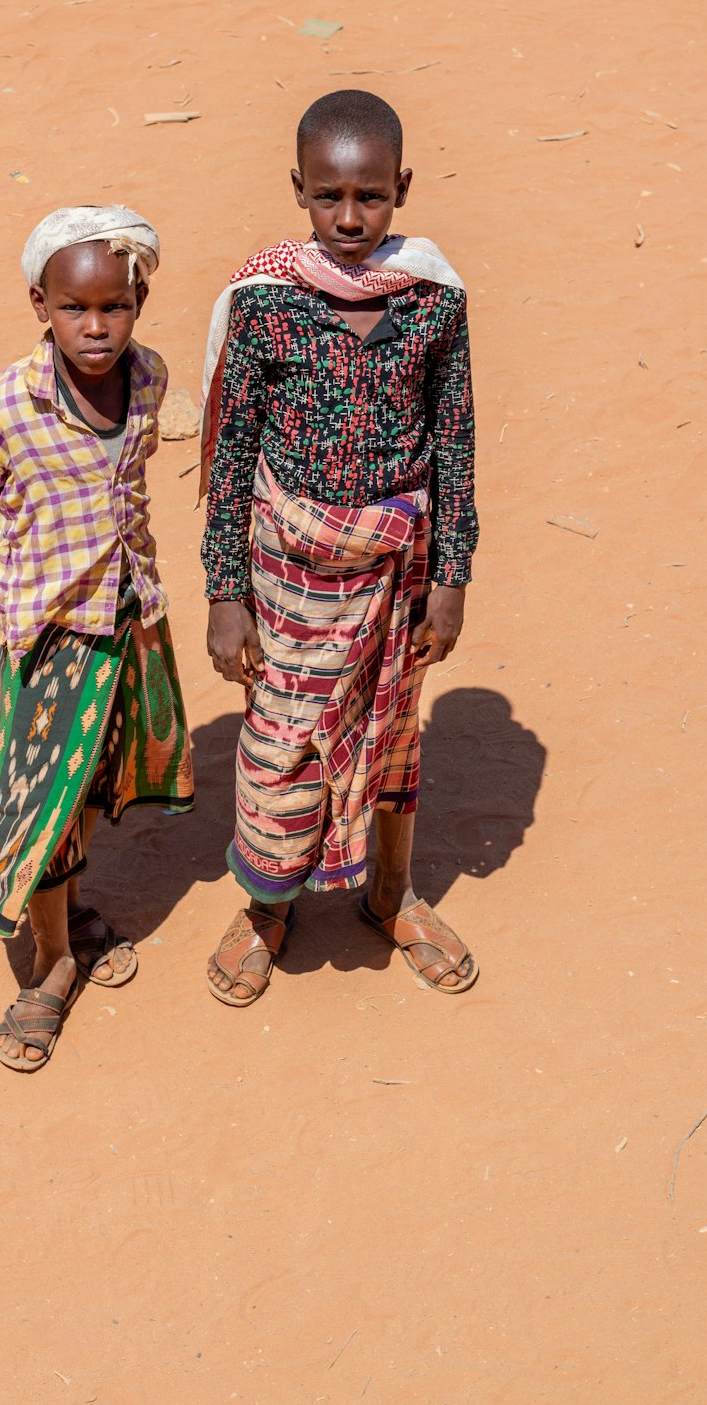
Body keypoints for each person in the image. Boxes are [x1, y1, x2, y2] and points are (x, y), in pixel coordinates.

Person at [199, 90, 479, 1006]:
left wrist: (452, 575)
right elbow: (232, 448)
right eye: (329, 198)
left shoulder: (434, 302)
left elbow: (455, 441)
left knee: (391, 737)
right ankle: (266, 909)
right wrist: (223, 590)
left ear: (401, 188)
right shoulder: (265, 304)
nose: (350, 219)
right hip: (287, 578)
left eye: (370, 197)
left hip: (400, 569)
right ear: (298, 190)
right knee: (283, 741)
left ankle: (390, 898)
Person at [0, 205, 194, 1070]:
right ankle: (51, 965)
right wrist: (32, 573)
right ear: (38, 305)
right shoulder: (7, 406)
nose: (97, 327)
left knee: (88, 780)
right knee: (43, 801)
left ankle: (71, 912)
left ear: (139, 300)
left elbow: (130, 484)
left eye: (116, 307)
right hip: (49, 632)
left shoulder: (151, 380)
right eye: (74, 309)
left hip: (125, 617)